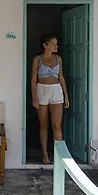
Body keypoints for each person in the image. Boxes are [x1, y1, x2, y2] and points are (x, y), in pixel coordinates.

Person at [31, 35, 69, 164]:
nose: (56, 46)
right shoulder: (37, 59)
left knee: (57, 125)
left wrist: (66, 95)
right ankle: (45, 153)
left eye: (56, 44)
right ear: (45, 45)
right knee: (44, 125)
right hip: (42, 90)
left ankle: (59, 156)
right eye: (54, 44)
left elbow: (61, 77)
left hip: (56, 90)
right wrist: (34, 97)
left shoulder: (58, 59)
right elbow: (33, 79)